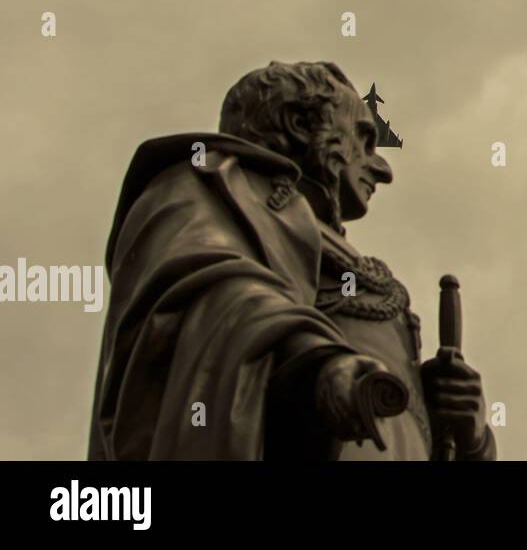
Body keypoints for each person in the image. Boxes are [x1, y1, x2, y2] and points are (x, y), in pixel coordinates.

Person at [88, 60, 495, 460]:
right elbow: (205, 293)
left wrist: (466, 435)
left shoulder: (333, 248)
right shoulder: (208, 186)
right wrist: (313, 364)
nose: (382, 168)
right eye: (364, 140)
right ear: (300, 124)